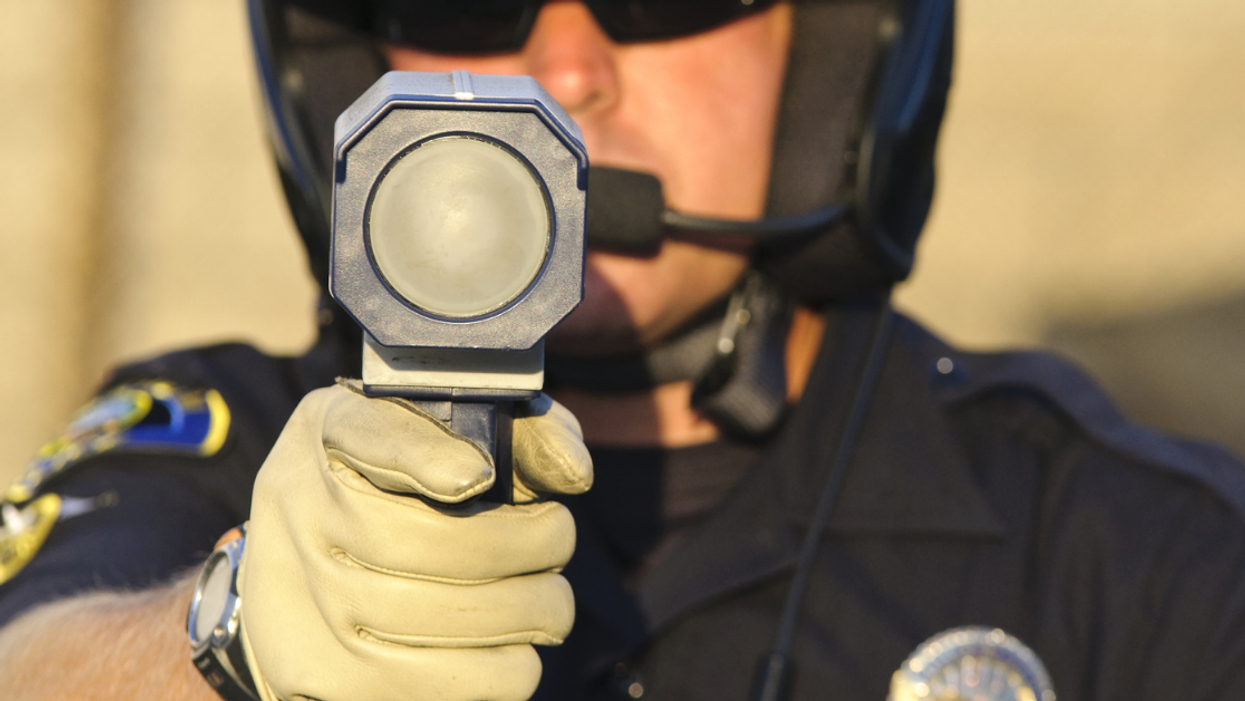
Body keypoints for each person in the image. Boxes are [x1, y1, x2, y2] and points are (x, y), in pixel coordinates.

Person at [2, 1, 1245, 700]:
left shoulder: (1135, 555)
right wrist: (231, 629)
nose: (570, 72)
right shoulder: (224, 434)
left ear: (831, 40)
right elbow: (36, 655)